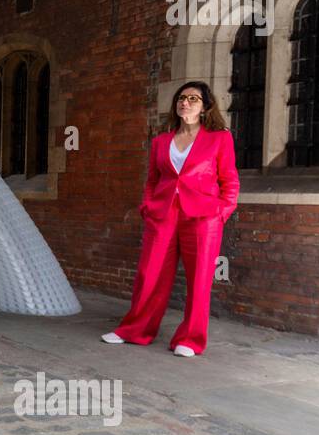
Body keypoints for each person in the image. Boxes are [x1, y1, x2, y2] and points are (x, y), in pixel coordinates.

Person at [102, 81, 240, 357]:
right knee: (149, 273)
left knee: (199, 279)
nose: (185, 103)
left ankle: (190, 339)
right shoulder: (161, 141)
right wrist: (147, 207)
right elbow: (152, 180)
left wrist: (221, 213)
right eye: (181, 98)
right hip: (163, 215)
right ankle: (134, 330)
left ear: (205, 107)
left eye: (193, 99)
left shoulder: (219, 138)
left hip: (203, 217)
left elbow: (230, 180)